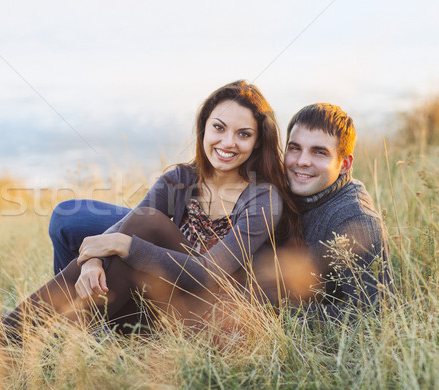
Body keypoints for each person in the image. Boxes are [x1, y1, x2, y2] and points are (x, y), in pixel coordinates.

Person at [0, 80, 305, 389]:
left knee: (143, 227)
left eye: (243, 134)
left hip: (207, 321)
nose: (227, 142)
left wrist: (124, 245)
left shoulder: (262, 199)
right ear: (203, 128)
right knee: (121, 235)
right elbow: (111, 235)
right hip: (154, 311)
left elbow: (206, 274)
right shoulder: (181, 178)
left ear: (258, 140)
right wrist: (91, 258)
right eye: (218, 127)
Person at [50, 103, 394, 320]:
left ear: (345, 163)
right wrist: (93, 258)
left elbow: (376, 315)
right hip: (205, 247)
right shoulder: (288, 178)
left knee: (144, 230)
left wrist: (275, 310)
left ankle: (73, 322)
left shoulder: (356, 222)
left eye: (319, 153)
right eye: (295, 148)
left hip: (219, 282)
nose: (302, 162)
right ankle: (84, 299)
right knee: (71, 218)